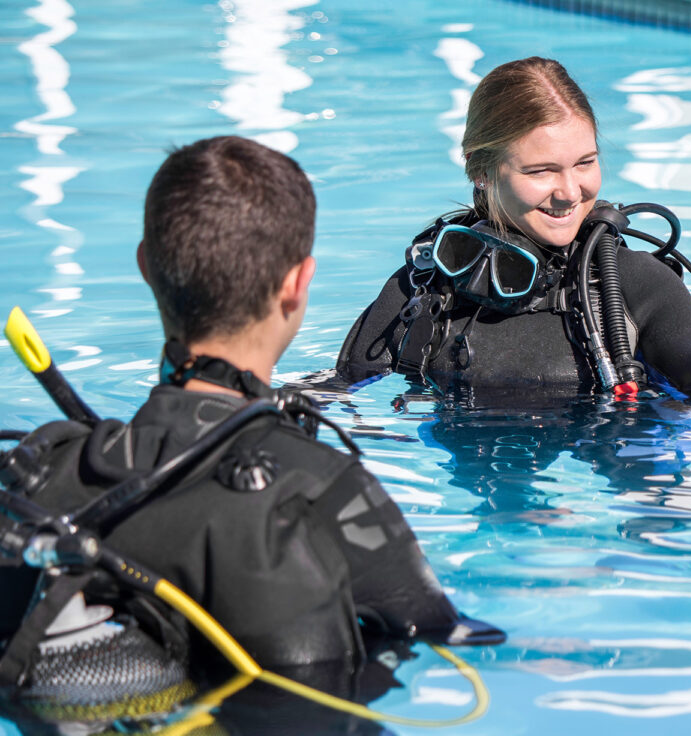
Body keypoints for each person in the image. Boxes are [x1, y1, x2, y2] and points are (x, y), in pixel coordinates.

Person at [0, 136, 501, 691]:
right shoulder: (324, 491)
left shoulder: (45, 472)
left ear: (146, 266)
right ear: (297, 285)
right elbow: (446, 639)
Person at [335, 57, 691, 420]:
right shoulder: (425, 285)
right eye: (542, 170)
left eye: (585, 163)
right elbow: (337, 396)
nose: (570, 193)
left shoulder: (634, 287)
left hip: (624, 479)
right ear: (481, 171)